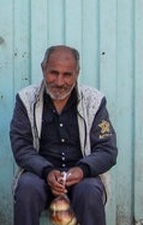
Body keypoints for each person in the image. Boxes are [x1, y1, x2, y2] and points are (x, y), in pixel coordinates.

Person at [10, 45, 117, 225]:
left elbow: (107, 150)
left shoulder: (94, 100)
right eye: (53, 73)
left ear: (77, 73)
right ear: (43, 69)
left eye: (67, 75)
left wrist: (82, 170)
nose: (59, 82)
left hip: (82, 177)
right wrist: (47, 171)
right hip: (41, 175)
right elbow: (21, 147)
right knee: (27, 188)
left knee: (90, 191)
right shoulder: (26, 99)